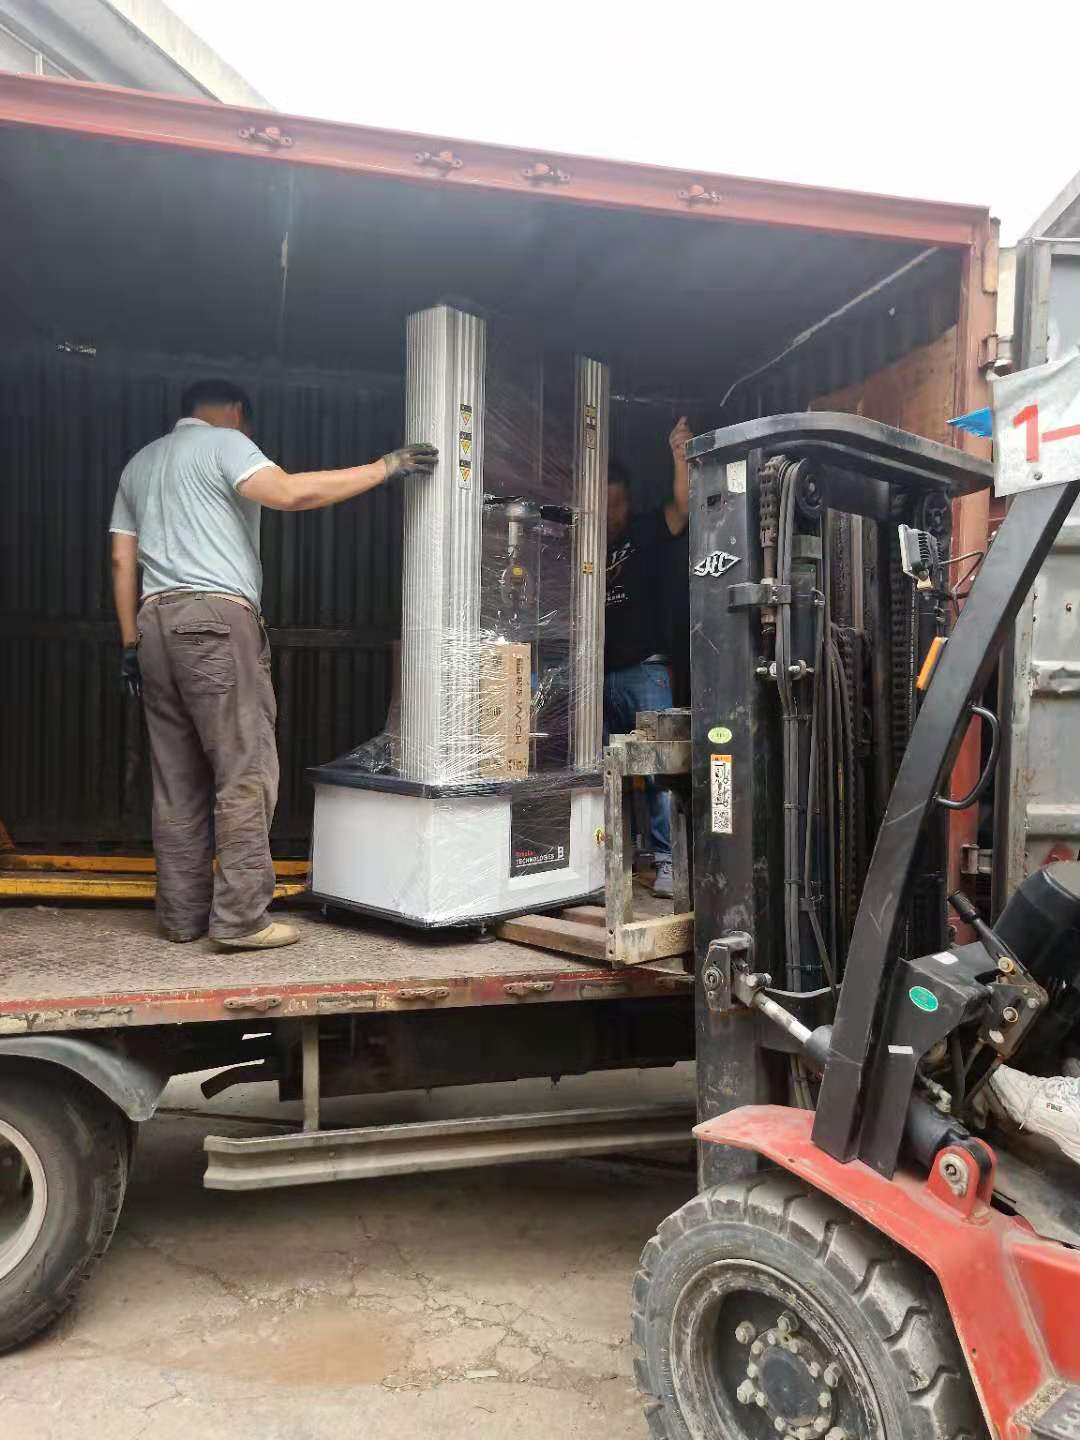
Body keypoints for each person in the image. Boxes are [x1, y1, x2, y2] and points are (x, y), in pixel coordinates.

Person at [109, 378, 437, 950]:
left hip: (153, 625)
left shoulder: (140, 463)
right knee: (244, 772)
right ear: (236, 410)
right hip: (214, 620)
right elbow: (288, 493)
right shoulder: (226, 443)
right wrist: (383, 468)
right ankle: (241, 920)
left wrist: (130, 643)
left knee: (177, 781)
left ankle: (181, 918)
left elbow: (121, 559)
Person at [604, 417, 691, 898]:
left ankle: (666, 861)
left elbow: (683, 508)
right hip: (599, 674)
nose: (611, 514)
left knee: (658, 767)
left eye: (617, 504)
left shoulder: (644, 529)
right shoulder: (584, 542)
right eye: (604, 505)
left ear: (629, 500)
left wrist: (679, 456)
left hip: (646, 670)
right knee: (600, 769)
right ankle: (603, 859)